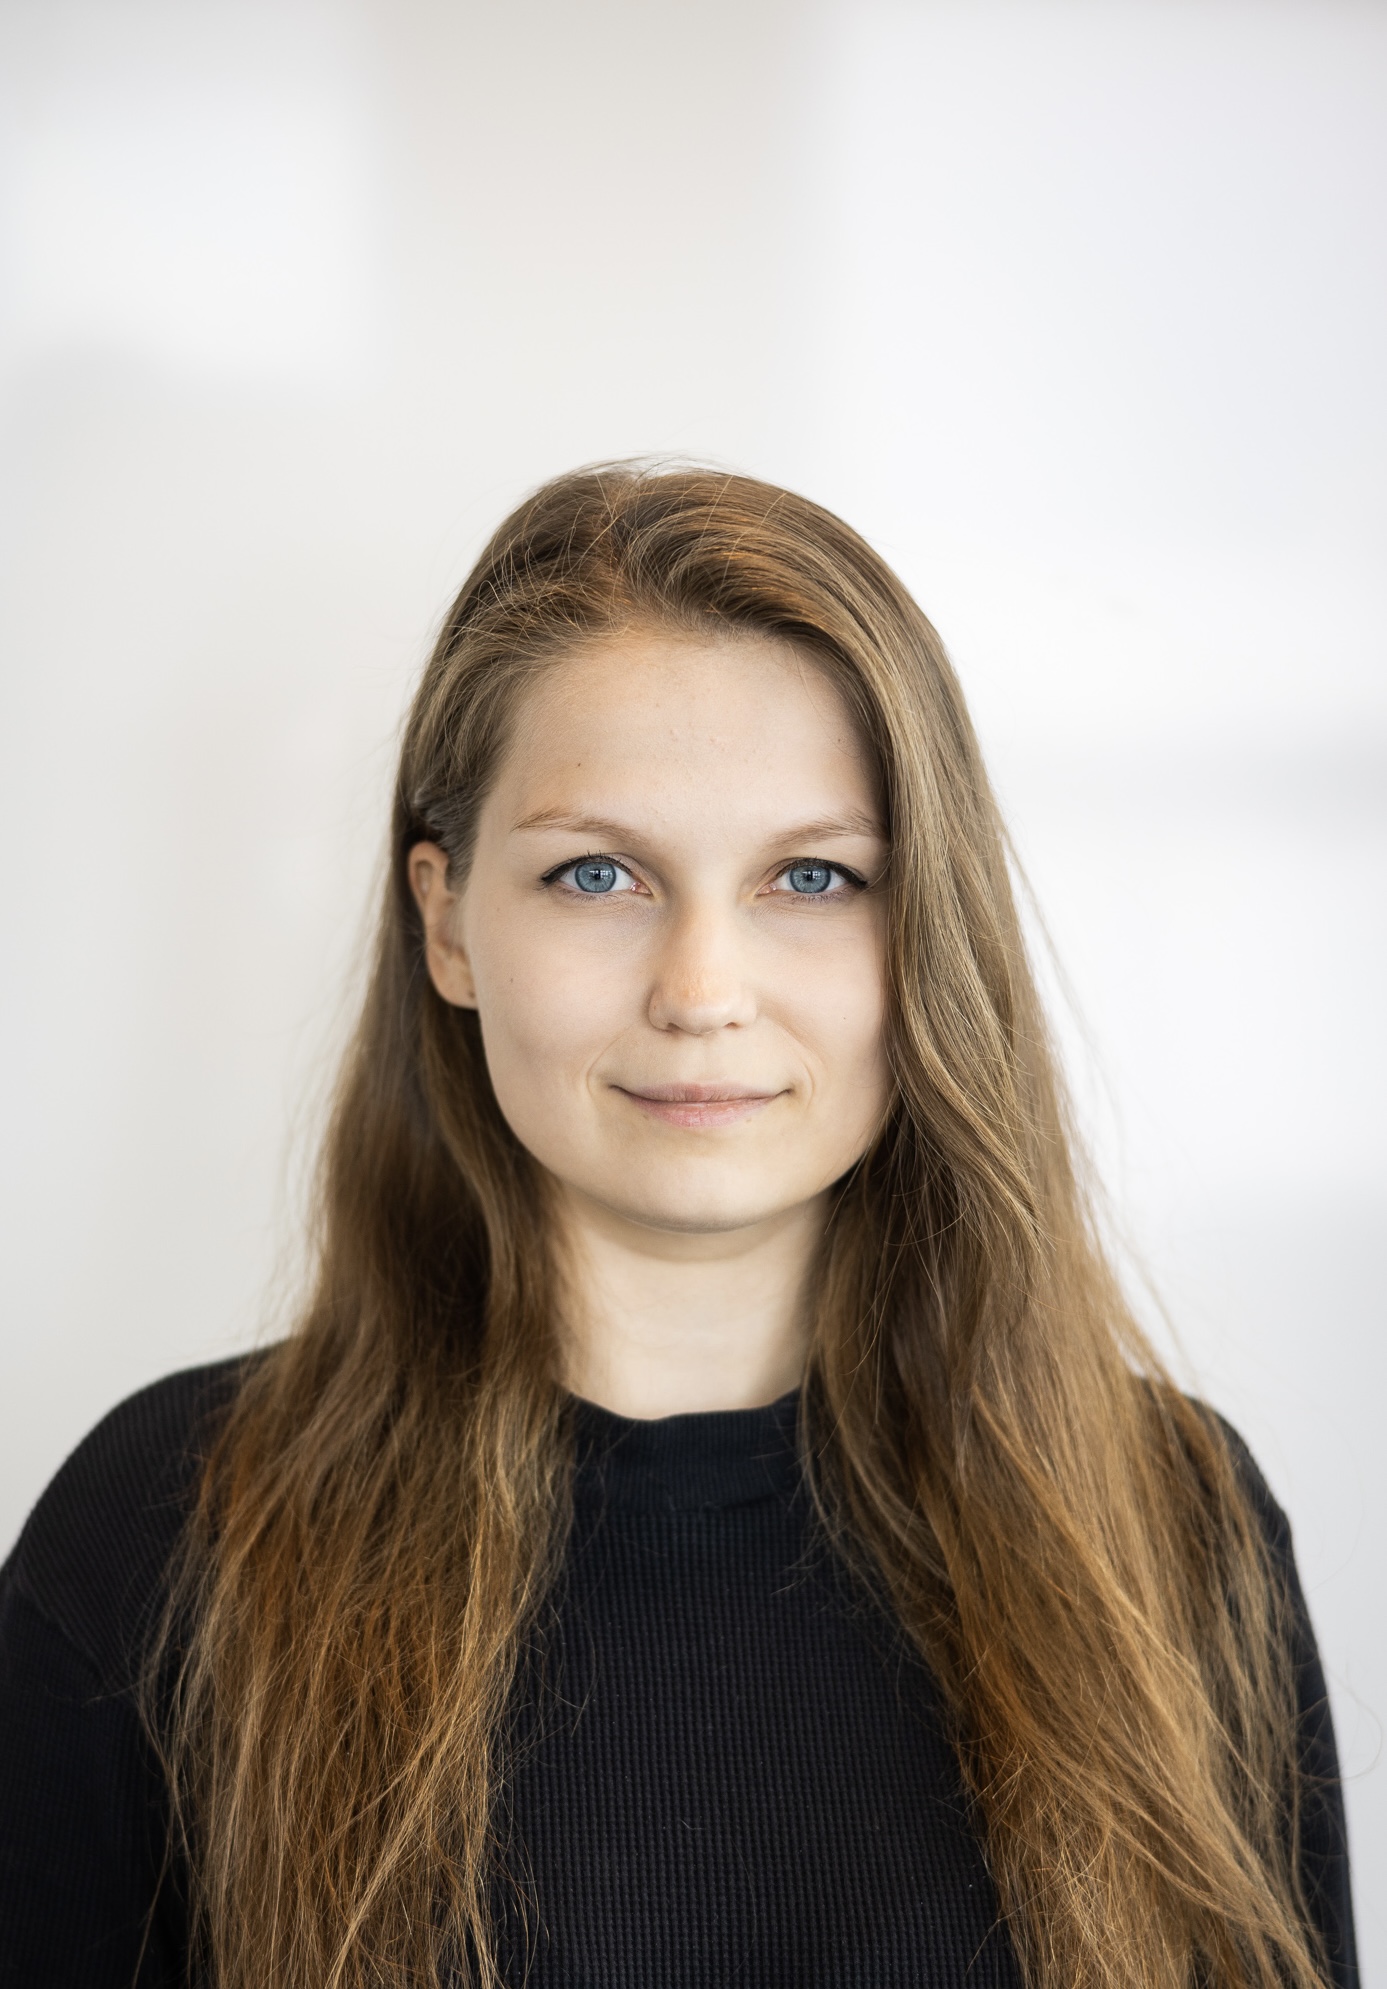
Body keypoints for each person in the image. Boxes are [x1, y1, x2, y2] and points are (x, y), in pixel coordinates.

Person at [0, 465, 1356, 1989]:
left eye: (812, 877)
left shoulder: (1176, 1530)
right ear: (446, 921)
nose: (703, 988)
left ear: (929, 931)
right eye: (600, 873)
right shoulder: (166, 1536)